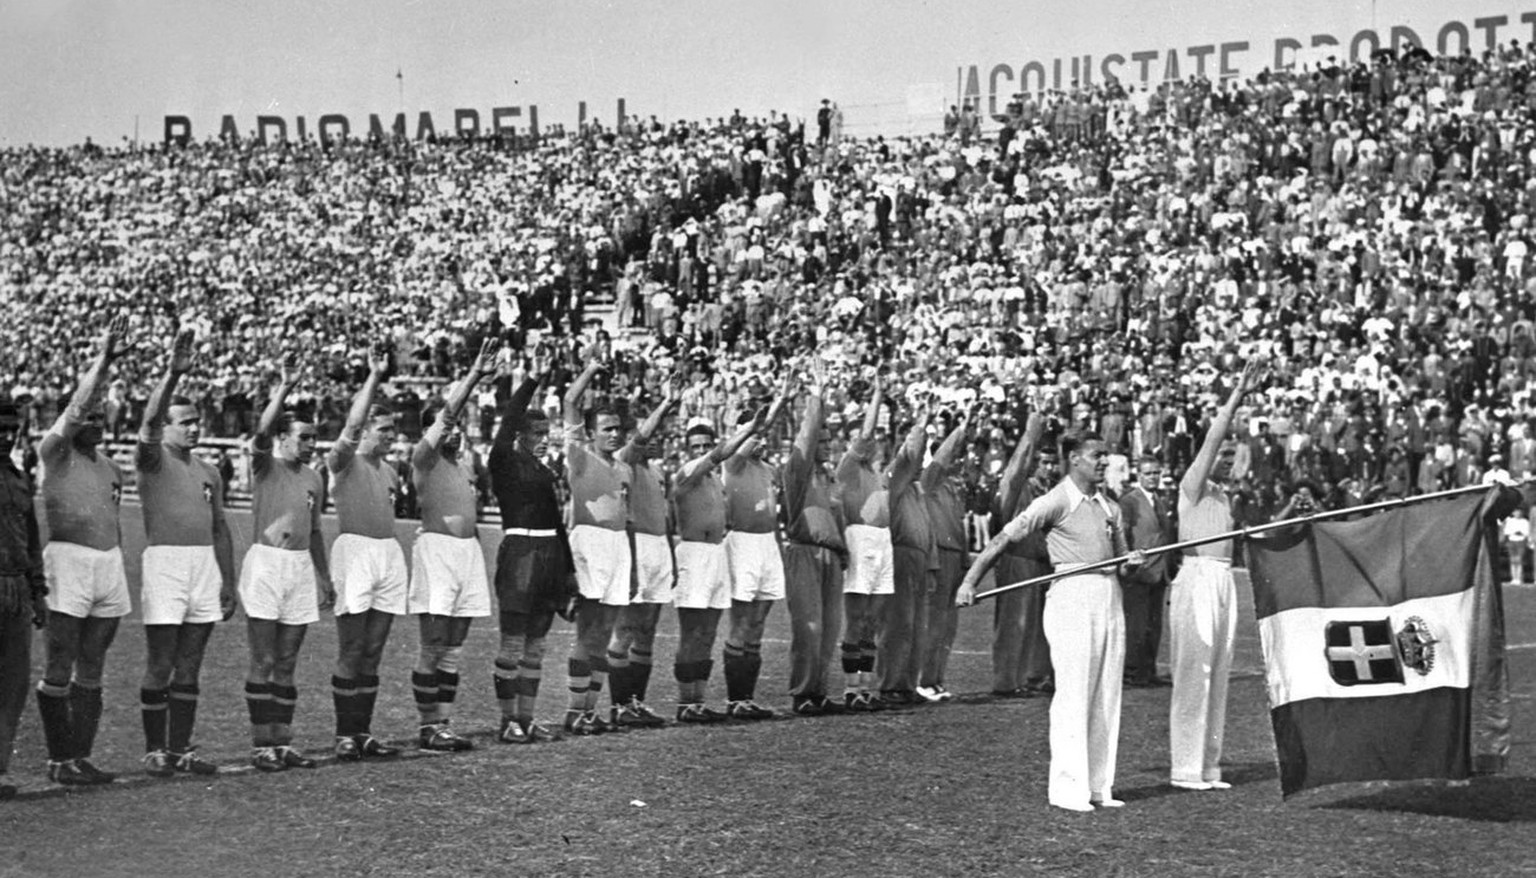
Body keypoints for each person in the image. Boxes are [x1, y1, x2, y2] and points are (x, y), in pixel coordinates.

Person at [958, 430, 1145, 812]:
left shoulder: (1111, 507)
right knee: (1073, 693)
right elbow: (1002, 540)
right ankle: (1067, 789)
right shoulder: (1056, 499)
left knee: (1106, 692)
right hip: (1072, 595)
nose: (1104, 462)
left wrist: (1131, 563)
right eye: (1097, 455)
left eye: (1106, 455)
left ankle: (1098, 786)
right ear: (1074, 459)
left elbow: (1122, 562)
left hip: (1109, 595)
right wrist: (969, 581)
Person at [135, 328, 237, 778]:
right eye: (185, 422)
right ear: (167, 426)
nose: (194, 427)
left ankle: (181, 748)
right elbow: (149, 420)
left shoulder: (209, 471)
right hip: (166, 563)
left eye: (197, 421)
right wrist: (172, 375)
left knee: (191, 662)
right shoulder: (152, 459)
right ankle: (155, 748)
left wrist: (228, 582)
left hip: (203, 567)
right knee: (161, 660)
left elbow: (219, 528)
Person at [36, 316, 132, 786]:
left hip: (107, 564)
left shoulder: (112, 468)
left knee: (94, 660)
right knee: (61, 655)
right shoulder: (55, 453)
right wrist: (105, 360)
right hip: (68, 560)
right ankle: (58, 757)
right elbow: (75, 407)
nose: (94, 422)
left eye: (100, 416)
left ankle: (80, 755)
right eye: (87, 417)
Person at [241, 352, 333, 772]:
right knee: (263, 657)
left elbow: (313, 530)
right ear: (283, 438)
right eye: (304, 437)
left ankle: (283, 739)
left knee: (288, 660)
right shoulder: (265, 464)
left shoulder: (314, 477)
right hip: (266, 563)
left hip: (298, 566)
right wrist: (285, 387)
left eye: (314, 438)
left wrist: (323, 575)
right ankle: (263, 744)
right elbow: (260, 429)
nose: (311, 444)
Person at [1167, 363, 1256, 791]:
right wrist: (1238, 392)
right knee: (1195, 673)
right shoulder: (1192, 485)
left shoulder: (1223, 496)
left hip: (1223, 580)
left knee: (1218, 673)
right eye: (1219, 455)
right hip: (1196, 579)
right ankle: (1185, 768)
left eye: (1228, 456)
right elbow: (1212, 439)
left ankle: (1208, 767)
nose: (1224, 459)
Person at [409, 339, 499, 752]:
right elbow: (447, 415)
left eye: (461, 427)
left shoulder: (464, 466)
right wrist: (475, 376)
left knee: (454, 647)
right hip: (438, 553)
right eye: (450, 426)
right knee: (434, 643)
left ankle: (443, 723)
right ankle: (428, 727)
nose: (456, 431)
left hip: (466, 555)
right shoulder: (423, 460)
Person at [324, 341, 405, 761]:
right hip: (354, 553)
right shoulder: (344, 460)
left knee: (373, 651)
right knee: (352, 648)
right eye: (385, 430)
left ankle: (363, 731)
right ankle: (344, 733)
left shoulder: (389, 471)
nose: (391, 437)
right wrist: (374, 376)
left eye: (393, 430)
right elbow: (349, 430)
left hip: (387, 555)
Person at [489, 361, 574, 744]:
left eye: (547, 432)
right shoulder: (505, 461)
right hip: (521, 555)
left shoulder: (545, 471)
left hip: (550, 555)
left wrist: (569, 571)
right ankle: (507, 721)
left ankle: (527, 717)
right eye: (537, 432)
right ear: (520, 435)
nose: (544, 438)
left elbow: (558, 524)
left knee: (537, 646)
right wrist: (534, 379)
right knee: (512, 643)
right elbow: (507, 420)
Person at [671, 408, 773, 722]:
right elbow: (718, 456)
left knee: (708, 632)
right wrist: (748, 430)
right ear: (689, 450)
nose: (701, 451)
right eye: (696, 447)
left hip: (716, 553)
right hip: (694, 554)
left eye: (706, 445)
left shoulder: (716, 480)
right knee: (692, 632)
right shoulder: (686, 474)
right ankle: (685, 704)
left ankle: (699, 701)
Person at [561, 352, 634, 735]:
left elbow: (628, 516)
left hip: (618, 546)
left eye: (618, 428)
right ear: (590, 433)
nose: (614, 433)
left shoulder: (622, 468)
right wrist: (590, 369)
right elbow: (570, 403)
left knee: (605, 634)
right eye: (606, 428)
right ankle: (575, 710)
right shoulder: (579, 456)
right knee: (588, 632)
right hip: (589, 544)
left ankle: (591, 709)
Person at [606, 376, 682, 729]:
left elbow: (664, 520)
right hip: (634, 547)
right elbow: (639, 440)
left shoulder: (657, 472)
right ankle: (619, 704)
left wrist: (670, 556)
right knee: (626, 628)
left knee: (648, 630)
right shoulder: (625, 462)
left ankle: (637, 702)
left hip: (658, 550)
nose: (655, 443)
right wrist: (666, 404)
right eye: (650, 437)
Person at [720, 377, 791, 719]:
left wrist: (783, 397)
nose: (760, 439)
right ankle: (735, 700)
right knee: (742, 621)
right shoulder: (732, 463)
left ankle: (748, 697)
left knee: (759, 623)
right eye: (752, 433)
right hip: (743, 544)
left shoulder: (769, 470)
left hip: (767, 545)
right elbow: (748, 438)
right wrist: (761, 420)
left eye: (761, 435)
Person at [781, 359, 847, 716]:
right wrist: (816, 397)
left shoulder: (828, 478)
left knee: (829, 629)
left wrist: (845, 551)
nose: (824, 445)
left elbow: (838, 519)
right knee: (809, 627)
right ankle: (803, 692)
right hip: (804, 553)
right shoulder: (797, 471)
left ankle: (819, 690)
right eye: (819, 439)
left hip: (831, 557)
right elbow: (804, 440)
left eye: (827, 440)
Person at [836, 374, 894, 711]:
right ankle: (850, 688)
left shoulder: (878, 475)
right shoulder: (848, 466)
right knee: (857, 618)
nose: (872, 441)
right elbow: (867, 432)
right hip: (860, 539)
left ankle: (866, 687)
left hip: (882, 542)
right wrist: (877, 394)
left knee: (873, 619)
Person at [989, 411, 1054, 698]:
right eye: (1043, 463)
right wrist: (1031, 436)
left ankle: (1031, 677)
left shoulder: (1050, 491)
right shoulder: (1019, 488)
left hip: (1042, 564)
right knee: (1014, 623)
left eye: (1053, 463)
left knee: (1038, 626)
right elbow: (1015, 471)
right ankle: (1005, 681)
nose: (1049, 468)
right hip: (1017, 559)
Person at [0, 401, 47, 799]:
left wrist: (39, 592)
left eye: (10, 429)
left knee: (13, 683)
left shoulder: (18, 479)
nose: (4, 435)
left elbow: (31, 540)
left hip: (16, 588)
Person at [878, 413, 935, 707]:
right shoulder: (895, 481)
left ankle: (908, 683)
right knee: (898, 623)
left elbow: (927, 529)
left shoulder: (917, 489)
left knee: (916, 625)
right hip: (900, 556)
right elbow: (907, 456)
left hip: (919, 560)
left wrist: (932, 565)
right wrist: (920, 427)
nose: (919, 463)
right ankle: (890, 684)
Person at [916, 410, 971, 702]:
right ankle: (923, 680)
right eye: (953, 456)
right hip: (937, 558)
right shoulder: (930, 482)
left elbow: (958, 528)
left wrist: (964, 561)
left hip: (954, 559)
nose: (957, 461)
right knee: (933, 623)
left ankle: (937, 679)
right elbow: (939, 461)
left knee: (948, 626)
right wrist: (960, 430)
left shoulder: (951, 488)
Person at [1119, 455, 1174, 688]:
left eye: (1156, 473)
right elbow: (1123, 534)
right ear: (1138, 475)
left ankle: (1148, 670)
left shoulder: (1160, 500)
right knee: (1137, 625)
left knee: (1154, 624)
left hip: (1159, 571)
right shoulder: (1130, 501)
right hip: (1139, 572)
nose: (1153, 477)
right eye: (1148, 473)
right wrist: (1129, 563)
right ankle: (1132, 672)